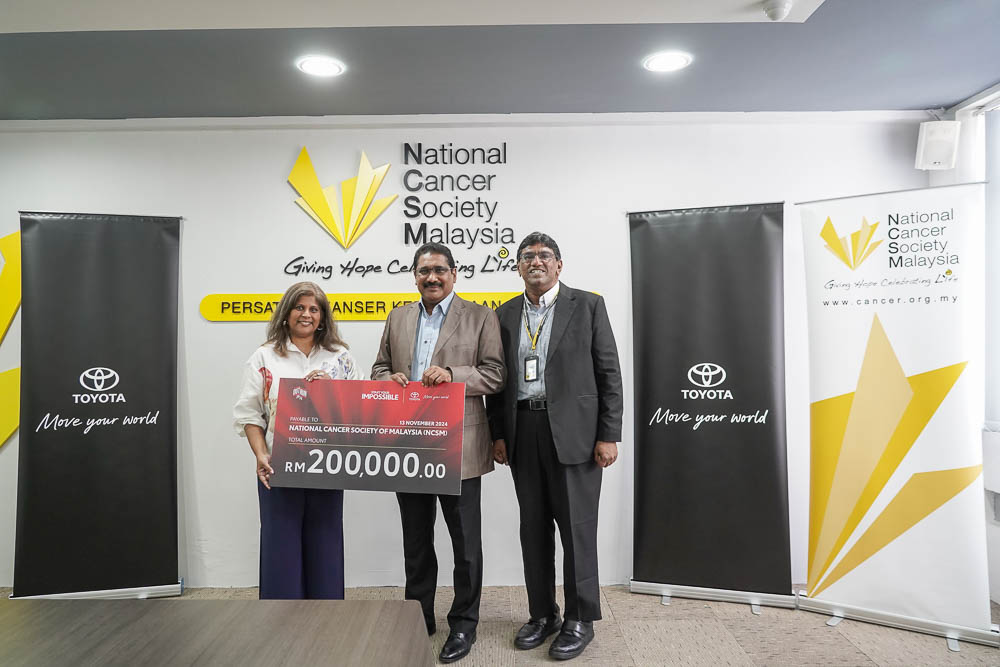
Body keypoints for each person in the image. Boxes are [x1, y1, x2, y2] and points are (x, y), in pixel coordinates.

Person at [486, 232, 623, 661]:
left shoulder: (588, 305)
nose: (536, 261)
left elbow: (609, 373)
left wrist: (609, 434)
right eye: (527, 256)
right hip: (523, 428)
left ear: (559, 265)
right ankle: (542, 614)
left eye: (545, 255)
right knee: (533, 529)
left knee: (577, 529)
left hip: (577, 434)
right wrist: (498, 433)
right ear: (518, 267)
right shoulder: (505, 314)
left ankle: (580, 618)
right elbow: (497, 381)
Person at [372, 242, 504, 664]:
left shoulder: (480, 316)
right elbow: (378, 368)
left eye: (440, 270)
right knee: (416, 541)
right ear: (415, 275)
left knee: (465, 544)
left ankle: (464, 622)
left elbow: (495, 375)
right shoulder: (398, 317)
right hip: (409, 445)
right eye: (424, 271)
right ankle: (419, 615)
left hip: (458, 446)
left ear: (453, 274)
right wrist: (388, 379)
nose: (432, 277)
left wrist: (451, 374)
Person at [233, 281, 362, 599]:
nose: (307, 314)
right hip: (278, 467)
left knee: (326, 549)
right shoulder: (264, 358)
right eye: (299, 307)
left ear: (323, 317)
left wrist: (334, 389)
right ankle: (281, 619)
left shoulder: (340, 357)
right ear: (286, 313)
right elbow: (250, 414)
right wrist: (260, 455)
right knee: (281, 551)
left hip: (328, 468)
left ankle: (326, 616)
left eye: (314, 309)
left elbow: (361, 405)